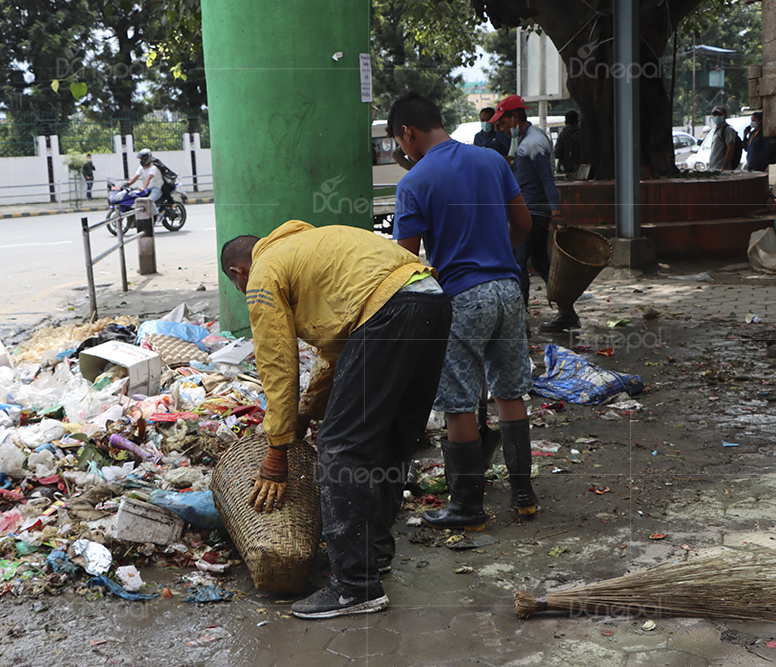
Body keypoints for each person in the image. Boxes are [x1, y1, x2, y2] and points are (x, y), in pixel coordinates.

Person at [220, 222, 451, 619]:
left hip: (389, 311)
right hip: (431, 299)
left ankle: (354, 586)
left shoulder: (262, 273)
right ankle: (372, 554)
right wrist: (306, 410)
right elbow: (337, 350)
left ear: (237, 273)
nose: (243, 291)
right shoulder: (309, 248)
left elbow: (277, 363)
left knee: (340, 445)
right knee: (392, 434)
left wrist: (277, 450)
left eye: (237, 286)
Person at [387, 89, 538, 535]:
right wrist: (493, 255)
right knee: (510, 393)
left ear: (408, 133)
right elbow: (525, 223)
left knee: (458, 407)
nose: (402, 149)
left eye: (400, 142)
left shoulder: (413, 183)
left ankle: (468, 509)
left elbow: (407, 260)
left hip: (462, 298)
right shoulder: (492, 161)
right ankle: (524, 497)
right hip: (509, 289)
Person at [491, 94, 578, 332]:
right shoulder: (522, 140)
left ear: (515, 117)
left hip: (534, 214)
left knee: (518, 264)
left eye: (503, 124)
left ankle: (520, 325)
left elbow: (546, 180)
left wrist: (556, 212)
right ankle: (567, 313)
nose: (502, 129)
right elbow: (515, 165)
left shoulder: (534, 143)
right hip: (531, 211)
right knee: (540, 262)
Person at [127, 148, 163, 213]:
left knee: (149, 201)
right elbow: (135, 177)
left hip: (157, 188)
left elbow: (148, 179)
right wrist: (127, 184)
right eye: (141, 159)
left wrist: (144, 188)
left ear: (148, 159)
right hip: (148, 189)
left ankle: (158, 215)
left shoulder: (153, 168)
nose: (142, 160)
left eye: (143, 159)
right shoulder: (141, 168)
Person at [708, 106, 740, 171]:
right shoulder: (716, 130)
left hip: (722, 169)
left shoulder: (727, 129)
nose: (717, 116)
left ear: (725, 116)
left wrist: (725, 165)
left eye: (719, 114)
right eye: (715, 115)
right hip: (714, 167)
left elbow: (730, 148)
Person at [553, 110, 581, 175]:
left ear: (566, 122)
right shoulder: (583, 134)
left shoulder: (563, 134)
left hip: (565, 170)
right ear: (578, 121)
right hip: (580, 170)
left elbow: (557, 153)